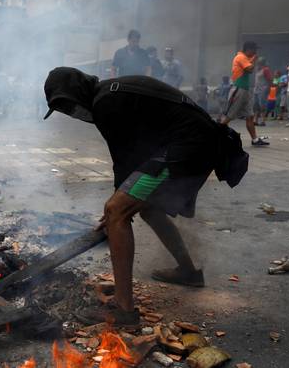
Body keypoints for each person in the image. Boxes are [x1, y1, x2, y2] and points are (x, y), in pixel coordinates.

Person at [43, 68, 235, 326]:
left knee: (117, 210)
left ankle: (124, 310)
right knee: (148, 208)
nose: (70, 112)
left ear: (77, 91)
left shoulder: (105, 101)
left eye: (67, 104)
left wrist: (113, 211)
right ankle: (188, 272)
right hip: (194, 144)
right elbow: (134, 153)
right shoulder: (110, 93)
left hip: (188, 147)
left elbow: (123, 159)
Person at [220, 42, 269, 146]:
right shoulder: (240, 57)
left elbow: (248, 65)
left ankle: (255, 140)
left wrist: (253, 59)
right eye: (254, 50)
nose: (255, 52)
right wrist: (255, 60)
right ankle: (215, 136)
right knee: (229, 116)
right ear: (249, 49)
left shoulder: (245, 58)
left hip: (245, 91)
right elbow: (249, 69)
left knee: (250, 116)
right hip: (238, 90)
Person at [253, 57, 272, 126]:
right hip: (256, 90)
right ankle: (255, 120)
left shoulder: (266, 70)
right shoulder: (257, 70)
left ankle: (263, 120)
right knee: (256, 105)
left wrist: (268, 89)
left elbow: (270, 80)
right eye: (258, 63)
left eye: (260, 63)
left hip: (263, 90)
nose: (258, 64)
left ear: (262, 63)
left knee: (262, 105)